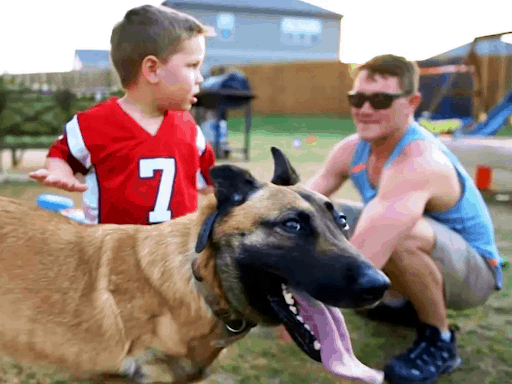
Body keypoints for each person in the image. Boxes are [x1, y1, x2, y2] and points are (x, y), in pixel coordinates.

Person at [305, 54, 504, 384]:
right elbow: (302, 205)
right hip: (425, 262)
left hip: (474, 274)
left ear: (411, 102)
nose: (365, 109)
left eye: (380, 99)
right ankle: (402, 305)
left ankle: (439, 341)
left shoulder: (419, 159)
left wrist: (308, 304)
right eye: (357, 98)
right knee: (325, 211)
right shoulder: (351, 149)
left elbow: (369, 250)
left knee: (401, 230)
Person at [29, 5, 216, 225]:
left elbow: (210, 181)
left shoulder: (189, 127)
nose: (200, 78)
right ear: (153, 69)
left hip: (175, 256)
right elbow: (61, 155)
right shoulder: (93, 124)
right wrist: (61, 172)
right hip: (112, 255)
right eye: (193, 66)